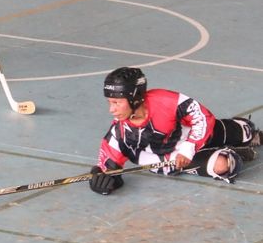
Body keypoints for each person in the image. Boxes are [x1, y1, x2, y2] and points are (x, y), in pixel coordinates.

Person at [89, 67, 261, 195]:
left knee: (244, 131)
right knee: (225, 165)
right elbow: (108, 169)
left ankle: (243, 137)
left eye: (116, 103)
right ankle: (236, 153)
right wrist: (102, 181)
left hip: (190, 136)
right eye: (110, 102)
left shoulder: (165, 100)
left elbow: (201, 116)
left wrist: (189, 147)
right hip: (167, 159)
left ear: (135, 99)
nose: (111, 110)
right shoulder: (119, 133)